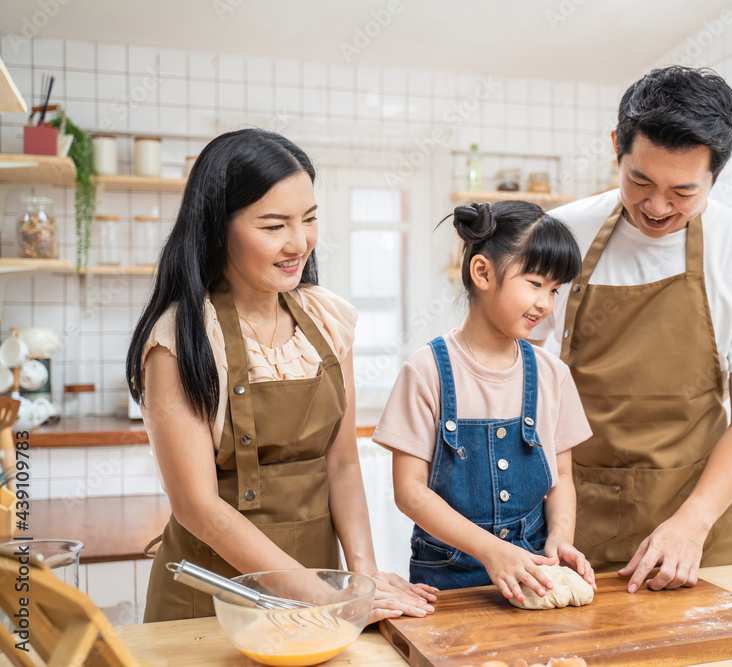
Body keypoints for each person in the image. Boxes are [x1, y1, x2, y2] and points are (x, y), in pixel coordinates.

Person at [126, 128, 436, 622]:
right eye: (273, 226)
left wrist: (363, 577)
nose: (299, 243)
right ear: (216, 228)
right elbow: (198, 507)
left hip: (324, 590)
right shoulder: (182, 337)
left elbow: (343, 464)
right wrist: (326, 598)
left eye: (309, 219)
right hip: (214, 601)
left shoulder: (327, 320)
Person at [530, 66, 732, 593]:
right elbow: (518, 383)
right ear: (617, 148)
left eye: (683, 191)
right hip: (578, 524)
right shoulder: (559, 236)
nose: (656, 207)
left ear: (716, 175)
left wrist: (693, 523)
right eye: (640, 181)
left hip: (704, 524)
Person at [373, 201, 596, 602]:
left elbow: (560, 478)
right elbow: (410, 491)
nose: (546, 303)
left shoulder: (552, 375)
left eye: (554, 289)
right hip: (447, 582)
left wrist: (560, 539)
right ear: (483, 273)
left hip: (532, 577)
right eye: (534, 282)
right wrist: (492, 551)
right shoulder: (427, 371)